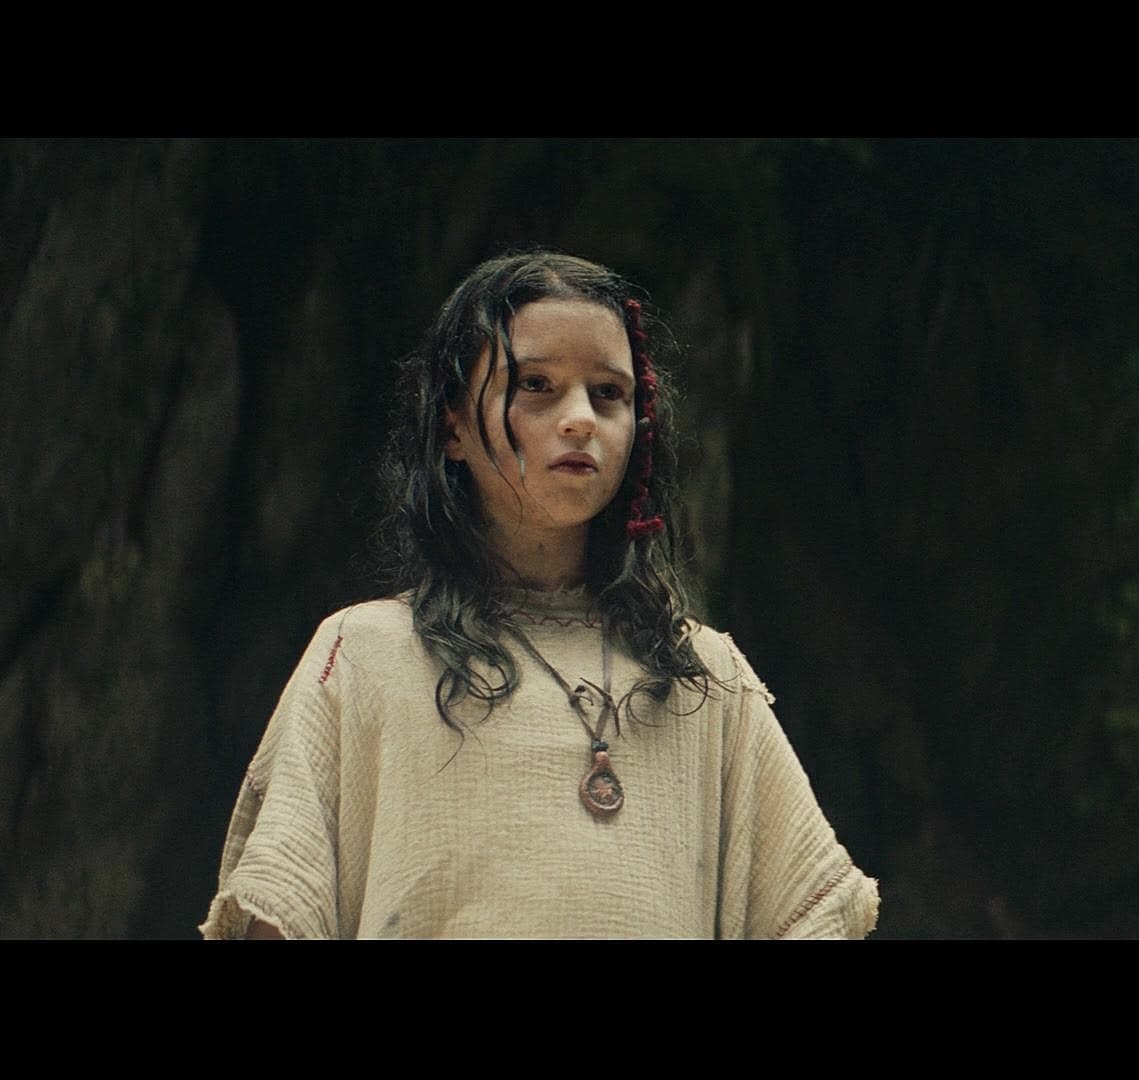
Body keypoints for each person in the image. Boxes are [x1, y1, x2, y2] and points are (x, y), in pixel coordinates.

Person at [200, 250, 879, 938]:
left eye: (608, 393)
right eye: (536, 385)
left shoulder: (701, 676)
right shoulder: (365, 656)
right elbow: (284, 909)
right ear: (453, 427)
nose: (580, 418)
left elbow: (809, 916)